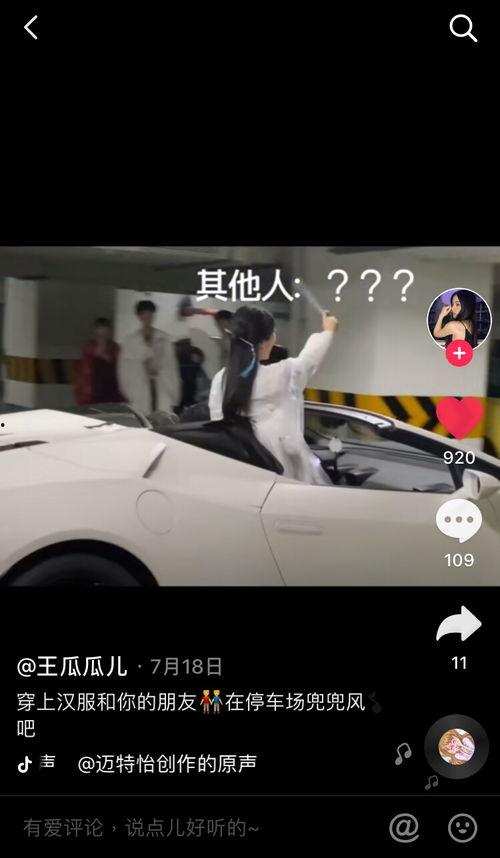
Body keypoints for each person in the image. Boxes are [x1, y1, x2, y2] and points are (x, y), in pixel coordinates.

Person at [209, 306, 338, 484]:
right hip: (281, 470)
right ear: (263, 342)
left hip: (235, 469)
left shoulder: (220, 379)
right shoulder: (282, 374)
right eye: (273, 333)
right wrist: (328, 331)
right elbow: (310, 359)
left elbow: (217, 421)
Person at [118, 300, 180, 414]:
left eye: (150, 314)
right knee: (143, 416)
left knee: (162, 416)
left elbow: (171, 365)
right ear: (139, 316)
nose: (148, 318)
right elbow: (125, 368)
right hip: (140, 389)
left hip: (162, 386)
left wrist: (158, 369)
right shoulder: (131, 340)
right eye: (144, 314)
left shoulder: (163, 338)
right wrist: (142, 367)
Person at [74, 318, 124, 405]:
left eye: (104, 333)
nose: (102, 337)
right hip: (92, 394)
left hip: (113, 393)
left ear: (109, 332)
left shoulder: (115, 348)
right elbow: (93, 356)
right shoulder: (89, 347)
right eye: (99, 334)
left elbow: (120, 367)